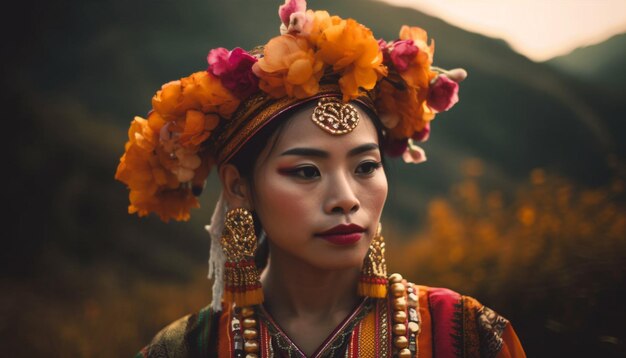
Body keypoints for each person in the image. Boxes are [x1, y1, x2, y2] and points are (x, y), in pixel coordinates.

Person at [116, 1, 526, 357]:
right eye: (306, 171)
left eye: (365, 166)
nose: (345, 199)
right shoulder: (185, 350)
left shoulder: (464, 336)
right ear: (239, 187)